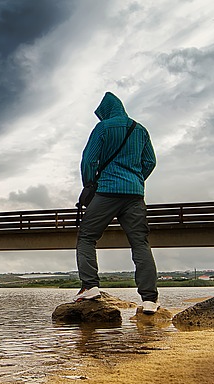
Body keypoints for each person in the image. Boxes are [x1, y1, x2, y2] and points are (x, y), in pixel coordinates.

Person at [74, 92, 159, 314]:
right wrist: (136, 180)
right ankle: (149, 300)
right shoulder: (140, 129)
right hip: (134, 195)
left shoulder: (103, 128)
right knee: (140, 243)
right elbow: (150, 161)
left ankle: (90, 286)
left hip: (107, 191)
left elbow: (89, 160)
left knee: (87, 237)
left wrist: (91, 184)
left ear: (106, 112)